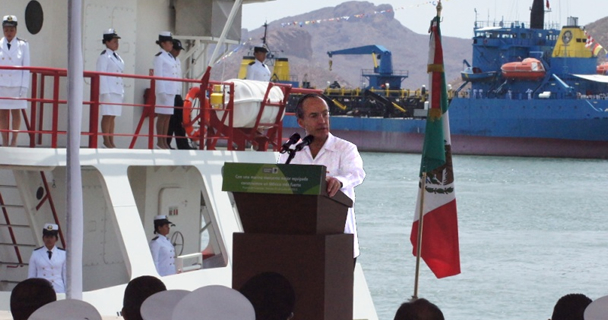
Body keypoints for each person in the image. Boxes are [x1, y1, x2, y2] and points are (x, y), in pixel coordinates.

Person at [278, 94, 366, 261]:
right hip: (299, 243)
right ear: (301, 122)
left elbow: (356, 173)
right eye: (314, 115)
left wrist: (339, 182)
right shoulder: (292, 153)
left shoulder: (345, 149)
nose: (322, 120)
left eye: (325, 114)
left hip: (339, 242)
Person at [0, 15, 30, 147]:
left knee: (16, 112)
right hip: (2, 84)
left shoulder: (23, 45)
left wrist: (24, 86)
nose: (9, 33)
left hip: (17, 85)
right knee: (3, 113)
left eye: (11, 30)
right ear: (3, 30)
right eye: (6, 30)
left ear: (16, 30)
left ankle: (14, 140)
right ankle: (5, 140)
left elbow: (26, 66)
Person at [96, 28, 124, 148]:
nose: (116, 43)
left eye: (117, 41)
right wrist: (104, 92)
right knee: (107, 115)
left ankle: (111, 140)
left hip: (117, 90)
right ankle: (105, 140)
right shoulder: (104, 56)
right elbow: (101, 74)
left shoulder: (117, 56)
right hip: (109, 89)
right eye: (113, 41)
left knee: (113, 116)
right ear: (107, 42)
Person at [153, 31, 179, 149]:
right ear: (163, 43)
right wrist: (161, 91)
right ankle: (160, 141)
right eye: (169, 42)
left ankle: (165, 141)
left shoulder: (170, 57)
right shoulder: (159, 57)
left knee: (167, 117)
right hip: (164, 90)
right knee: (162, 116)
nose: (171, 45)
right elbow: (159, 75)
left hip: (171, 91)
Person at [166, 39, 191, 149]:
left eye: (179, 50)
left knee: (180, 120)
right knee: (170, 121)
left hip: (177, 94)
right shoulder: (165, 59)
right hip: (169, 93)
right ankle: (166, 143)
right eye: (176, 49)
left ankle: (182, 144)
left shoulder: (177, 61)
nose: (178, 52)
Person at [27, 223, 66, 293]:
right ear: (43, 238)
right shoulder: (36, 253)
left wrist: (67, 292)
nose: (49, 240)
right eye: (47, 237)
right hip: (41, 289)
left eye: (51, 237)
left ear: (56, 239)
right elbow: (31, 276)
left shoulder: (63, 254)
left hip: (58, 289)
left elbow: (66, 276)